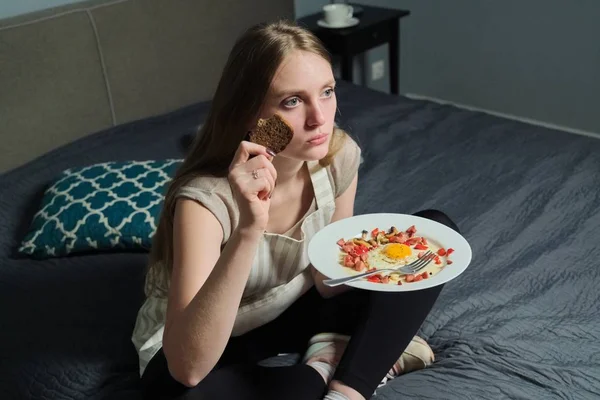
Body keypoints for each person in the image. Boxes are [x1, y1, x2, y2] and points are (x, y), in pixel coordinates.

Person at [131, 20, 460, 400]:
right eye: (292, 101)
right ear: (253, 116)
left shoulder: (337, 156)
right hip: (203, 347)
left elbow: (326, 280)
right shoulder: (204, 202)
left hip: (289, 309)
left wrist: (384, 260)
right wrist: (250, 229)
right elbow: (187, 369)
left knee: (434, 232)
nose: (319, 118)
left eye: (326, 92)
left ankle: (348, 389)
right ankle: (330, 362)